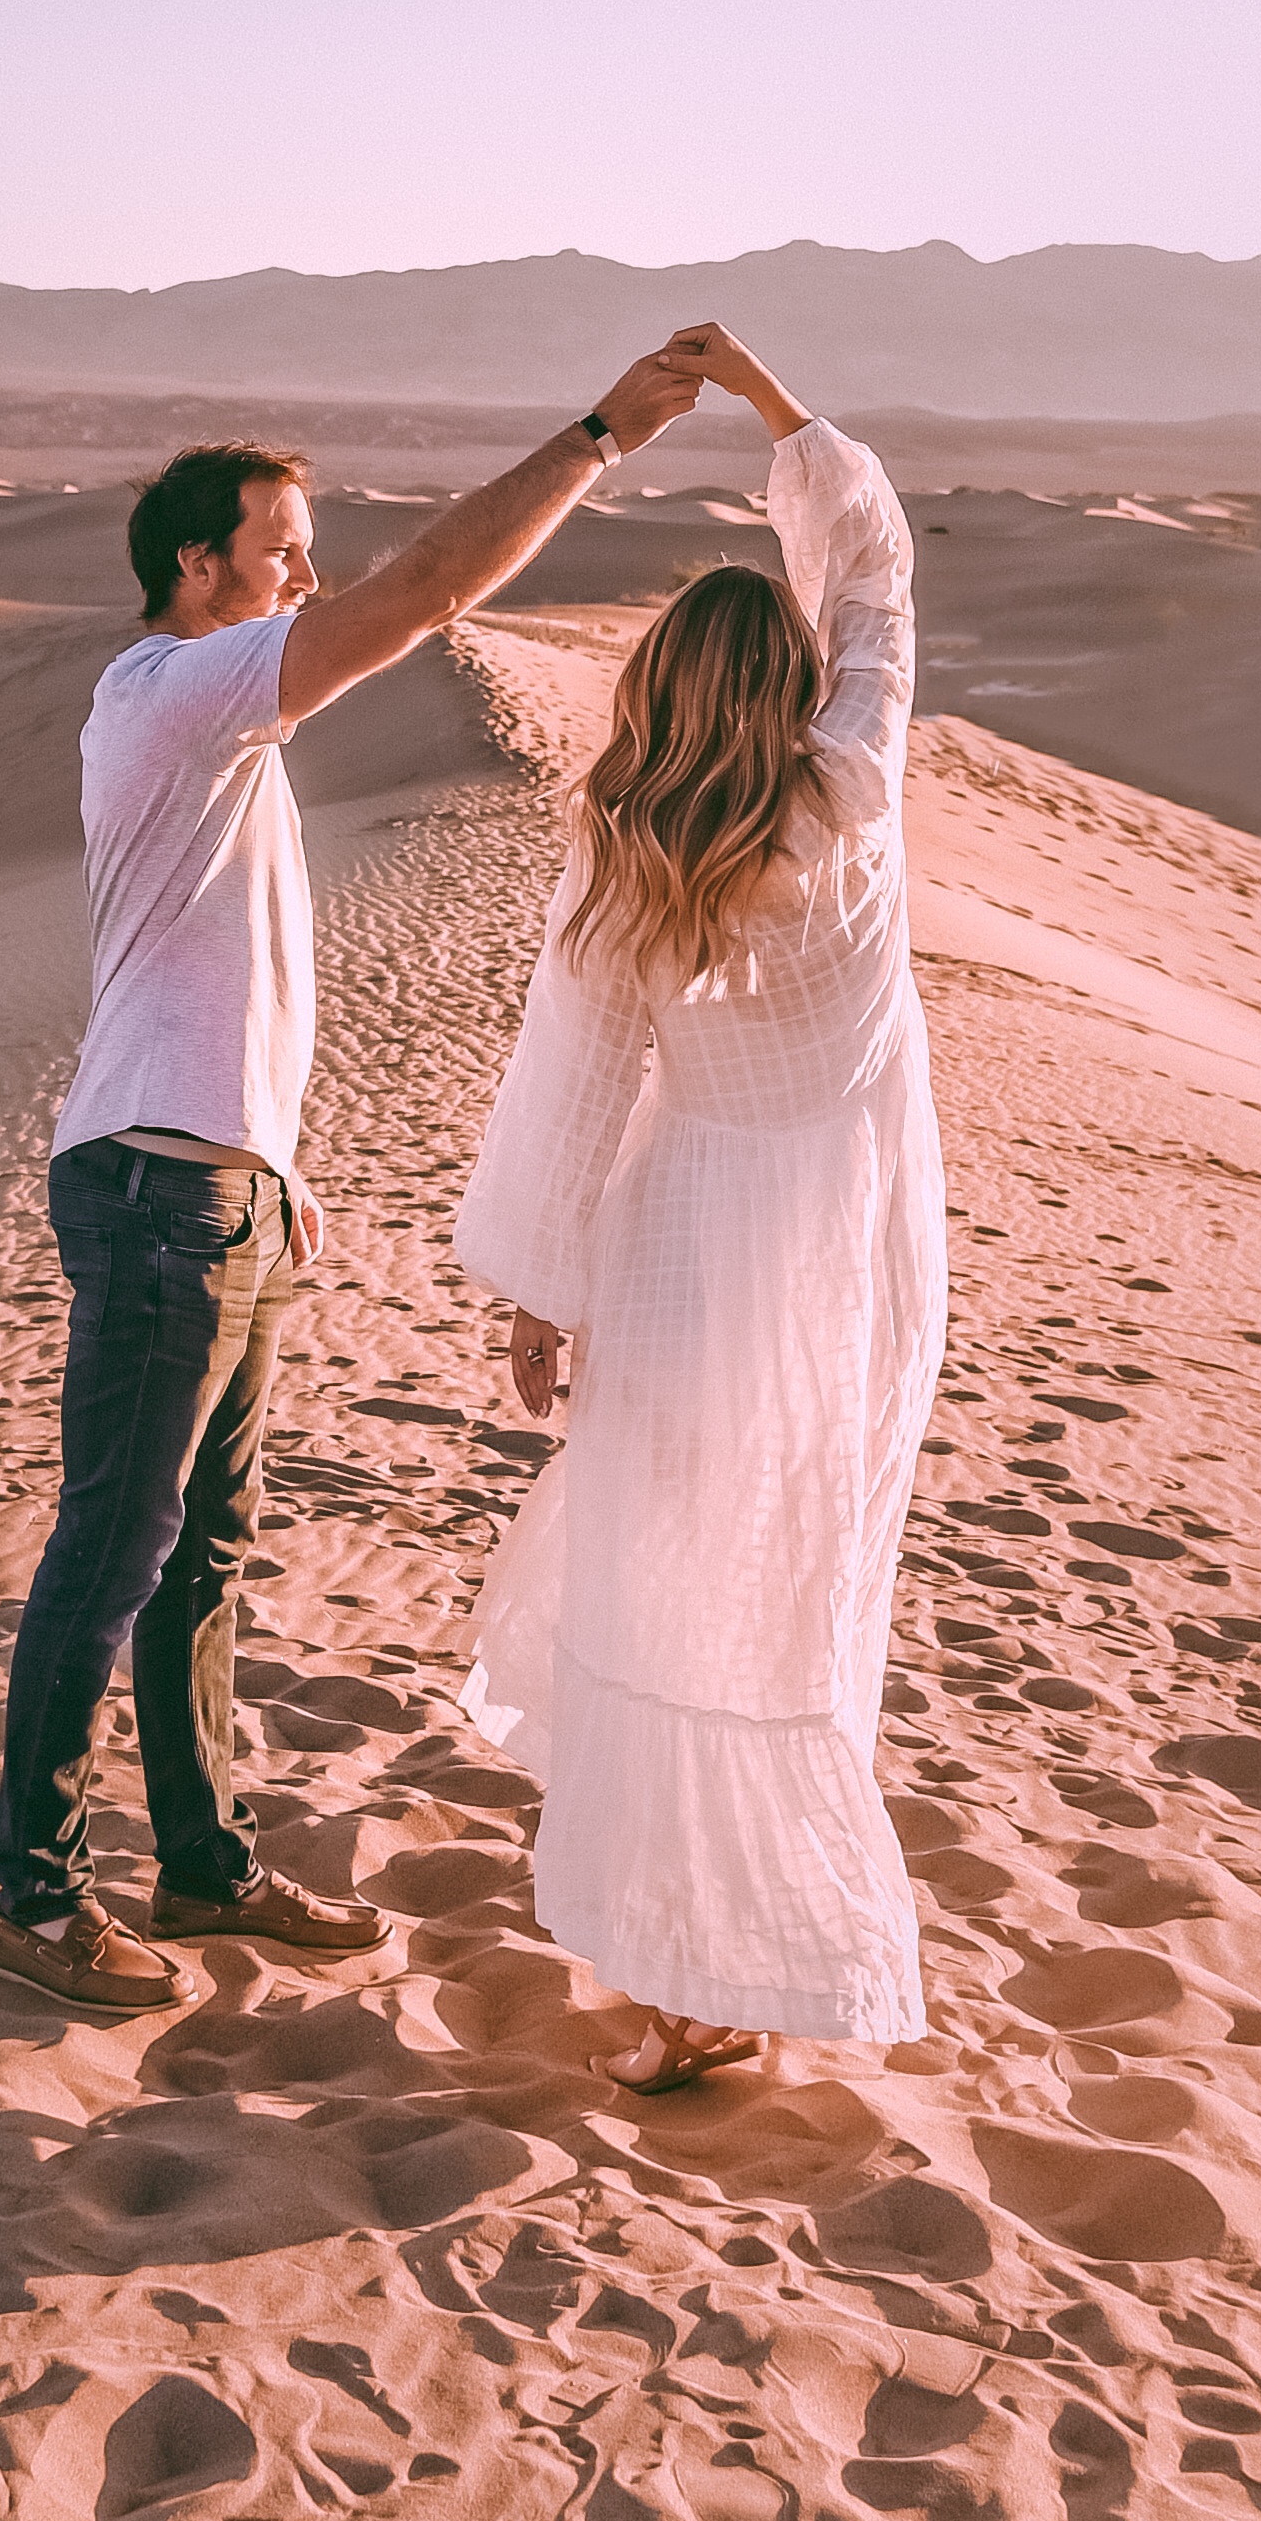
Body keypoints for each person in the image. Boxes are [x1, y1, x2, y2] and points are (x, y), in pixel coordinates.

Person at [0, 342, 708, 2013]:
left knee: (202, 1553)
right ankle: (31, 1893)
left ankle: (204, 1863)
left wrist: (277, 1165)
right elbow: (430, 589)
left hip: (223, 1186)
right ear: (196, 565)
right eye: (281, 540)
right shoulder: (176, 689)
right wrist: (599, 436)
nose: (304, 565)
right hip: (161, 1189)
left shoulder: (215, 717)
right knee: (116, 1544)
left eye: (305, 543)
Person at [453, 326, 945, 2088]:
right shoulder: (854, 791)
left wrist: (537, 1291)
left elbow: (571, 1088)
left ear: (654, 687)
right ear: (791, 683)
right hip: (835, 1247)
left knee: (656, 1576)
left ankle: (659, 1961)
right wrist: (771, 402)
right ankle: (724, 1974)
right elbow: (875, 575)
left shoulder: (619, 834)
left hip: (670, 1246)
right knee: (790, 1577)